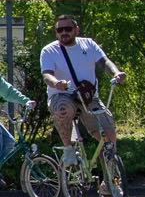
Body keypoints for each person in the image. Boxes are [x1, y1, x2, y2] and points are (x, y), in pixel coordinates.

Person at [40, 15, 125, 167]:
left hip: (88, 97)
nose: (64, 32)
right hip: (63, 94)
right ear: (56, 32)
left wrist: (116, 73)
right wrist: (56, 83)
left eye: (68, 29)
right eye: (60, 30)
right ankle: (68, 149)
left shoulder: (88, 44)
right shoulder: (49, 50)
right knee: (63, 110)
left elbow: (104, 62)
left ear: (76, 30)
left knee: (108, 136)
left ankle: (110, 181)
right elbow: (46, 74)